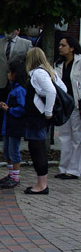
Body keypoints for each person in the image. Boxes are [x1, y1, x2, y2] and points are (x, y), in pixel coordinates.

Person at [24, 47, 64, 196]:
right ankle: (41, 183)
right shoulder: (49, 71)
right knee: (36, 147)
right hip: (38, 116)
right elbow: (62, 88)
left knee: (37, 149)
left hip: (37, 117)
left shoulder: (38, 73)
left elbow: (52, 91)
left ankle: (42, 185)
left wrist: (48, 112)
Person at [0, 29, 31, 134]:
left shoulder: (26, 43)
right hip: (0, 80)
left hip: (18, 81)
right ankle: (2, 131)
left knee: (16, 106)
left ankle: (16, 131)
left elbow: (29, 63)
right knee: (0, 106)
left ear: (18, 31)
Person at [0, 59, 27, 188]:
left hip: (15, 125)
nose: (8, 75)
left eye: (9, 72)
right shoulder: (14, 88)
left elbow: (22, 108)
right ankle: (11, 174)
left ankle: (15, 177)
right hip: (9, 125)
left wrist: (9, 109)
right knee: (7, 151)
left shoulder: (20, 90)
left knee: (14, 151)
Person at [54, 35, 81, 180]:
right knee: (64, 137)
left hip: (76, 104)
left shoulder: (79, 62)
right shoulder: (58, 64)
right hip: (64, 105)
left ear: (72, 47)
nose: (60, 48)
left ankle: (74, 170)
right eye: (59, 45)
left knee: (77, 137)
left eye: (63, 45)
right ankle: (64, 168)